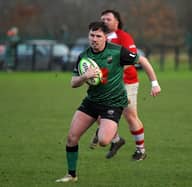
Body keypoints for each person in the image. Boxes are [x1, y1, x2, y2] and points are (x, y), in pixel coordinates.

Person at [55, 21, 161, 183]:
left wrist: (154, 83)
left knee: (104, 141)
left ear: (106, 37)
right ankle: (71, 175)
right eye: (92, 35)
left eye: (98, 36)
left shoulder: (117, 52)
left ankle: (105, 129)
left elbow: (143, 61)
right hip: (91, 102)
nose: (94, 39)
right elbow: (73, 83)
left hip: (113, 103)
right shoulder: (83, 56)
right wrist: (85, 76)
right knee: (71, 138)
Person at [90, 9, 157, 161]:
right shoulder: (102, 38)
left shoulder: (124, 37)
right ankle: (116, 140)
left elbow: (131, 61)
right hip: (107, 84)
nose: (104, 21)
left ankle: (141, 150)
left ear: (117, 22)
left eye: (108, 19)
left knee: (130, 115)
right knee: (97, 112)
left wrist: (154, 83)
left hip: (127, 82)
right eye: (102, 19)